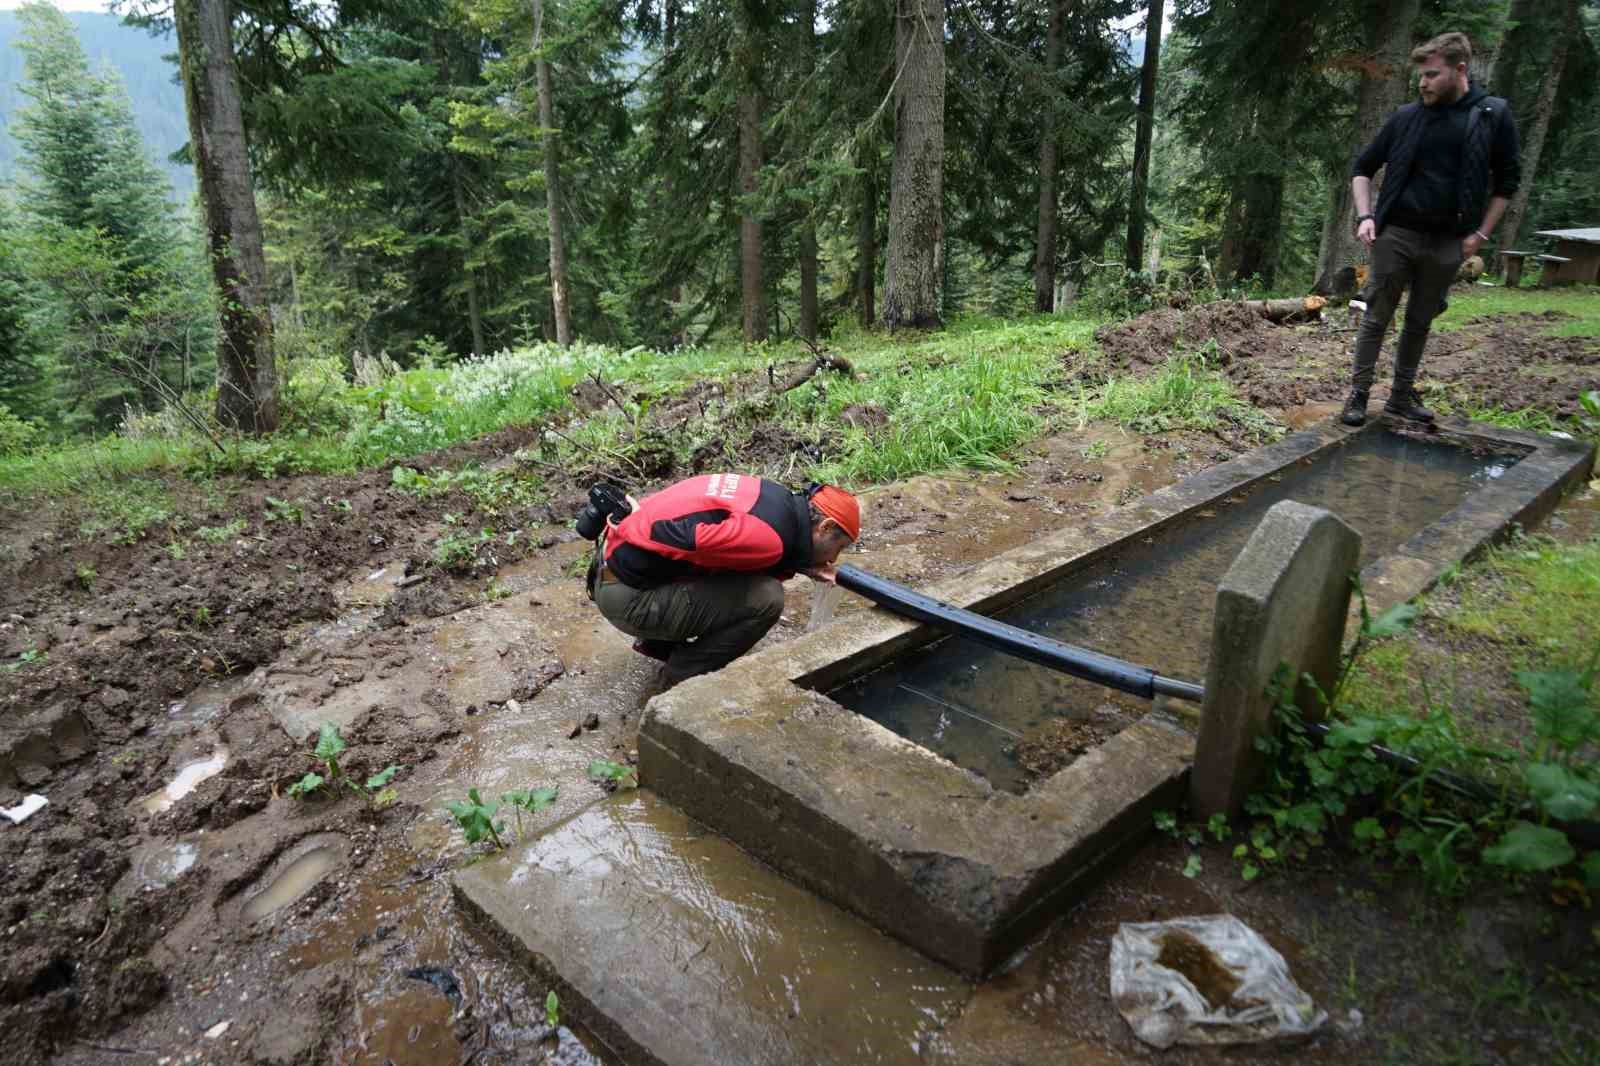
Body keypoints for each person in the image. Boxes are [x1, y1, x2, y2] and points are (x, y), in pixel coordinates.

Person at [1342, 31, 1521, 427]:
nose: (1422, 83)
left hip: (1449, 241)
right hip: (1397, 234)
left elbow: (1508, 183)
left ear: (1460, 70)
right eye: (1420, 75)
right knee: (1377, 317)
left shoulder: (1493, 116)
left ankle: (1400, 397)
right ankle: (1358, 394)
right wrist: (1365, 216)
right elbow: (1362, 169)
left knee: (1420, 321)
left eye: (1431, 74)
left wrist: (1481, 235)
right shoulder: (1407, 117)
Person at [589, 473, 860, 688]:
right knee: (767, 599)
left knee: (740, 572)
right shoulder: (768, 538)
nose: (834, 558)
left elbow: (729, 543)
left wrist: (803, 564)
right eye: (840, 547)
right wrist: (629, 525)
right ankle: (681, 678)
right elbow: (678, 538)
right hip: (627, 597)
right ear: (825, 526)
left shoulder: (774, 498)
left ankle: (659, 642)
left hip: (614, 569)